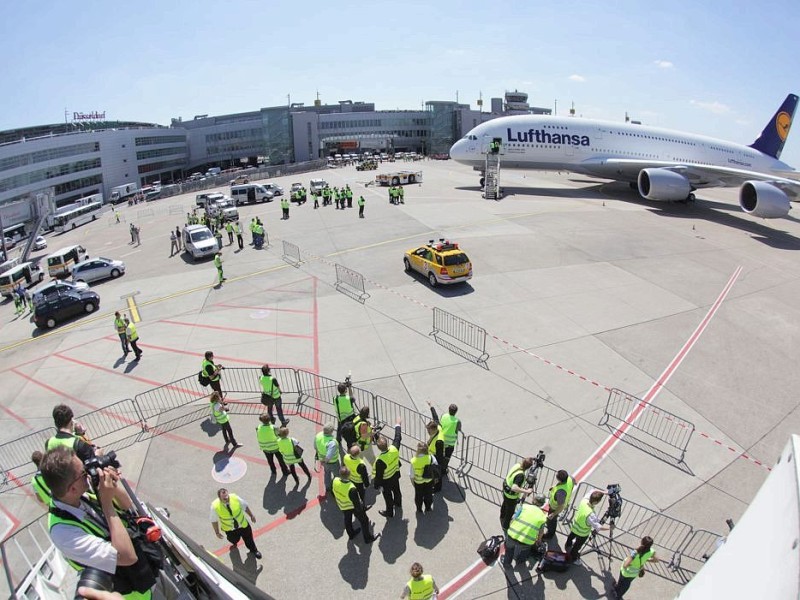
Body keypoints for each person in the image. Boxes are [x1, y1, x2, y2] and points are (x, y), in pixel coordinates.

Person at [40, 446, 158, 600]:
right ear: (72, 489)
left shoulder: (77, 494)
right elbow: (127, 557)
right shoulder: (64, 533)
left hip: (147, 571)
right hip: (131, 594)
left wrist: (112, 487)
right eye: (83, 472)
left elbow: (128, 507)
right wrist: (107, 503)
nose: (89, 473)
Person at [332, 466, 379, 544]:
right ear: (349, 475)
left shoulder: (335, 480)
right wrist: (362, 511)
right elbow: (357, 504)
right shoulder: (351, 488)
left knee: (347, 520)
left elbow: (332, 491)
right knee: (364, 521)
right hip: (352, 506)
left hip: (342, 506)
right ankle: (368, 538)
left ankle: (351, 534)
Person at [211, 488, 262, 559]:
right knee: (233, 540)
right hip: (230, 529)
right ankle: (234, 542)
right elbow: (214, 520)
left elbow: (245, 506)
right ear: (219, 498)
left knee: (249, 539)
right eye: (224, 498)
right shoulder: (215, 506)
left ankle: (254, 550)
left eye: (227, 497)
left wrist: (251, 515)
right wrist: (217, 532)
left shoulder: (235, 498)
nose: (227, 499)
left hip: (242, 525)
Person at [502, 494, 547, 569]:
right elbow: (541, 532)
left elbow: (513, 518)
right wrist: (538, 541)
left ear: (533, 500)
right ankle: (520, 561)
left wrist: (510, 528)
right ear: (542, 504)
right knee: (524, 551)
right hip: (527, 541)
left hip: (512, 535)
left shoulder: (524, 507)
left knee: (509, 550)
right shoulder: (543, 517)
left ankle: (507, 564)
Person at [566, 489, 610, 565]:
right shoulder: (591, 514)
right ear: (596, 502)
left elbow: (592, 490)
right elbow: (598, 527)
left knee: (571, 537)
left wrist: (603, 492)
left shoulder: (584, 501)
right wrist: (610, 528)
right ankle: (573, 558)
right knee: (576, 547)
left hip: (575, 526)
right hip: (582, 533)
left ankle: (568, 544)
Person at [373, 419, 402, 518]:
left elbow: (379, 476)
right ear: (388, 443)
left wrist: (376, 486)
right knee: (397, 490)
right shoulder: (394, 449)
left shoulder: (380, 461)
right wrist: (398, 424)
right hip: (395, 475)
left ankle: (389, 512)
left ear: (379, 448)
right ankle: (398, 503)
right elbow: (398, 437)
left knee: (388, 496)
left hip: (386, 481)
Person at [427, 401, 460, 479]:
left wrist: (431, 406)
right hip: (450, 444)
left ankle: (440, 469)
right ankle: (443, 470)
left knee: (441, 456)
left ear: (449, 410)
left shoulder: (444, 416)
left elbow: (437, 420)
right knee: (446, 458)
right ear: (456, 412)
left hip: (442, 440)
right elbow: (456, 431)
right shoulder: (456, 421)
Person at [500, 457, 534, 531]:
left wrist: (531, 458)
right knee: (510, 512)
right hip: (511, 497)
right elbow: (514, 488)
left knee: (505, 504)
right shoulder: (520, 475)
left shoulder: (517, 465)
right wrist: (527, 491)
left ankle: (502, 516)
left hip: (505, 491)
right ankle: (505, 526)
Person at [544, 469, 575, 540]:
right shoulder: (569, 479)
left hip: (554, 508)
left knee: (552, 521)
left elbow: (561, 506)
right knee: (550, 520)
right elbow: (573, 482)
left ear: (560, 480)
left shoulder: (560, 492)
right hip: (558, 503)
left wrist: (553, 514)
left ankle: (550, 534)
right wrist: (554, 487)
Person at [410, 442, 436, 514]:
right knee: (428, 495)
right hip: (429, 481)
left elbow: (412, 475)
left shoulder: (413, 461)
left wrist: (413, 484)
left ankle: (419, 509)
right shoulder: (430, 457)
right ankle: (428, 508)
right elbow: (436, 466)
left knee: (418, 497)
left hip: (418, 482)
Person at [315, 424, 340, 493]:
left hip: (322, 460)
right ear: (331, 432)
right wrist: (324, 461)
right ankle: (336, 487)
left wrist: (322, 460)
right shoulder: (332, 443)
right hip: (332, 462)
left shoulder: (318, 435)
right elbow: (328, 457)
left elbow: (315, 447)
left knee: (327, 473)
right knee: (337, 475)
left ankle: (328, 487)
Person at [425, 420, 445, 494]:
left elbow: (439, 456)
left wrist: (436, 467)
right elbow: (436, 417)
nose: (428, 432)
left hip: (436, 458)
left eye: (429, 430)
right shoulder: (438, 427)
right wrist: (432, 408)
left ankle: (437, 488)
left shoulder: (439, 442)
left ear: (434, 429)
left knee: (437, 474)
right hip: (432, 456)